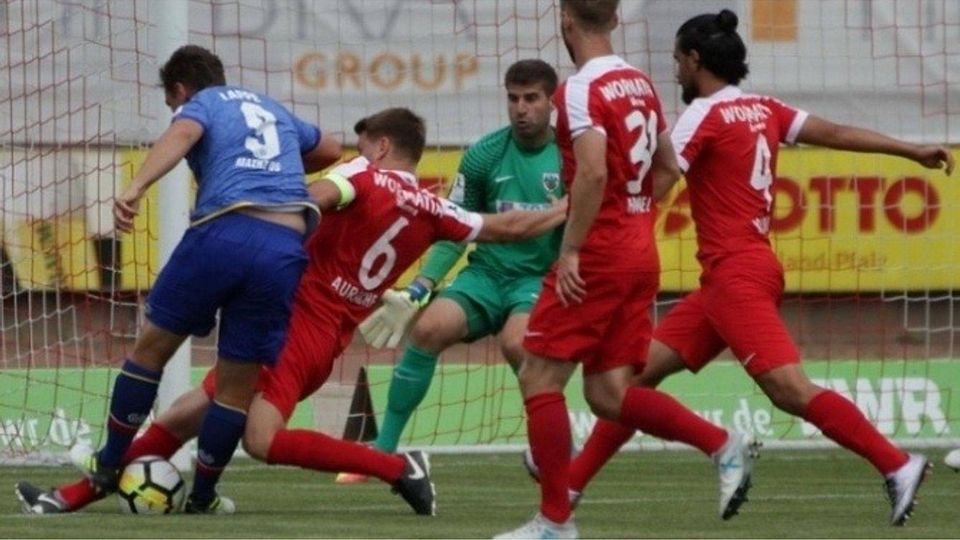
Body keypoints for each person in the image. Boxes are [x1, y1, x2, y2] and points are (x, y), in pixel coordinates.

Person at [15, 107, 568, 516]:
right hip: (324, 338)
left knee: (261, 439)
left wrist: (243, 240)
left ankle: (397, 466)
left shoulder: (360, 174)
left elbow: (312, 201)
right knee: (190, 412)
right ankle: (78, 495)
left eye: (362, 144)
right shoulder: (435, 205)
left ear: (378, 146)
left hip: (293, 320)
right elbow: (505, 227)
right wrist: (566, 207)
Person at [551, 9, 955, 528]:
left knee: (790, 390)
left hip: (733, 278)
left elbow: (662, 177)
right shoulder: (762, 108)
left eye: (677, 61)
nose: (674, 71)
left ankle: (897, 464)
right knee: (631, 379)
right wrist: (908, 149)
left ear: (696, 62)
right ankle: (573, 483)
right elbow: (832, 131)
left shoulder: (702, 117)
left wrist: (609, 223)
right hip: (742, 273)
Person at [15, 44, 343, 514]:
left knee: (151, 350)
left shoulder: (201, 104)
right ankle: (204, 497)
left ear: (180, 89)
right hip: (283, 248)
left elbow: (186, 130)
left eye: (172, 103)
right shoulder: (271, 108)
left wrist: (136, 186)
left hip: (225, 230)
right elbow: (331, 147)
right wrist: (279, 169)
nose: (176, 111)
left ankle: (108, 465)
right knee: (235, 385)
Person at [495, 2, 758, 538]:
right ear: (614, 20)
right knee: (608, 394)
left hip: (597, 256)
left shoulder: (579, 89)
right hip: (639, 252)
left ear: (566, 20)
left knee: (538, 376)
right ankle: (721, 443)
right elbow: (667, 168)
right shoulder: (640, 83)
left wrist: (571, 249)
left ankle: (554, 521)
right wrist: (633, 217)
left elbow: (590, 172)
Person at [334, 59, 565, 485]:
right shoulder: (484, 155)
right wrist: (421, 288)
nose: (521, 108)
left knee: (519, 343)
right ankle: (382, 453)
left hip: (538, 280)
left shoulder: (569, 157)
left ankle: (547, 438)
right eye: (513, 98)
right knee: (427, 329)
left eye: (531, 98)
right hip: (486, 276)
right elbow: (450, 228)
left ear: (552, 100)